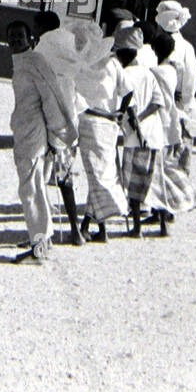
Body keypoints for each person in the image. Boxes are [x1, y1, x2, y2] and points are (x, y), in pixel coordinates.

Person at [7, 20, 78, 263]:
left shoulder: (36, 62)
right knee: (33, 187)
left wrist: (57, 137)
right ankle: (41, 240)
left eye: (20, 36)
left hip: (33, 136)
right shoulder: (21, 62)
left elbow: (52, 99)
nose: (16, 40)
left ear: (31, 39)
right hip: (24, 132)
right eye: (12, 36)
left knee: (30, 190)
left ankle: (38, 246)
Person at [75, 33, 131, 244]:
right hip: (108, 126)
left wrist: (114, 115)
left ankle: (93, 226)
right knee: (101, 175)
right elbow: (127, 91)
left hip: (92, 124)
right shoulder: (114, 64)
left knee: (96, 176)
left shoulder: (82, 66)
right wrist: (120, 113)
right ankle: (93, 227)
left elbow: (80, 103)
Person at [114, 26, 168, 237]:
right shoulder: (149, 73)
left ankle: (136, 228)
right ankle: (163, 226)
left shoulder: (125, 74)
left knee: (134, 185)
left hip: (136, 138)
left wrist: (137, 126)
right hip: (155, 136)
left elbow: (130, 107)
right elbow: (157, 103)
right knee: (155, 182)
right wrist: (145, 120)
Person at [154, 0, 196, 210]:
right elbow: (191, 78)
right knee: (179, 150)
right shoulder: (186, 47)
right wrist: (185, 101)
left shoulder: (159, 43)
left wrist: (181, 102)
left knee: (168, 153)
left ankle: (175, 197)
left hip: (170, 103)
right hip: (179, 102)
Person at [148, 32, 195, 227]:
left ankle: (161, 215)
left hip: (156, 124)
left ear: (153, 50)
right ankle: (165, 213)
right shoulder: (174, 71)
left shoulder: (152, 72)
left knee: (156, 172)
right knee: (167, 170)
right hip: (172, 123)